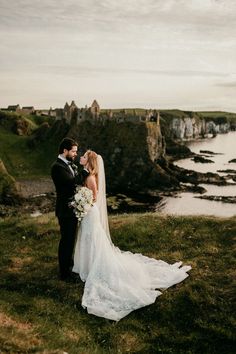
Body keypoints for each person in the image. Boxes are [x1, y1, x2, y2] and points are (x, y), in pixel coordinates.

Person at [72, 150, 192, 321]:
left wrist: (83, 203)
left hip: (90, 213)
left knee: (92, 239)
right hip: (88, 213)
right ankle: (87, 265)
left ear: (89, 162)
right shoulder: (86, 176)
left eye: (83, 156)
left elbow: (95, 197)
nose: (81, 158)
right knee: (88, 239)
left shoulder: (90, 178)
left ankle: (92, 265)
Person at [51, 137, 88, 281]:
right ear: (64, 151)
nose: (75, 154)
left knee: (70, 239)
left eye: (76, 151)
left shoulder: (69, 165)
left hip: (72, 209)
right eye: (73, 151)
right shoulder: (57, 167)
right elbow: (71, 183)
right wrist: (85, 171)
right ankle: (64, 273)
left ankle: (68, 264)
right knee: (66, 240)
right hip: (65, 210)